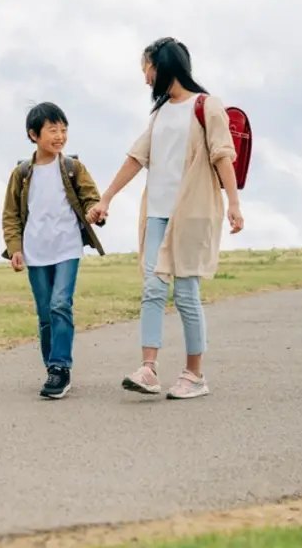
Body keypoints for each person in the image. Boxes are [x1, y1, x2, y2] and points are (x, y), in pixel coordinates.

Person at [86, 38, 244, 400]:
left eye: (148, 69)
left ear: (165, 66)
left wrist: (234, 204)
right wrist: (106, 198)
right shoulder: (159, 114)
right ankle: (149, 369)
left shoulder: (207, 107)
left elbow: (223, 155)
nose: (145, 78)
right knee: (153, 289)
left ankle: (195, 375)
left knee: (186, 293)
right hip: (157, 213)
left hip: (192, 214)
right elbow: (136, 158)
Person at [2, 102, 105, 400]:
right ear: (34, 135)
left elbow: (90, 198)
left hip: (67, 248)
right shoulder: (22, 173)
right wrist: (15, 249)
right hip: (35, 251)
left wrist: (94, 212)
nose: (60, 136)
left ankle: (60, 367)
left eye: (63, 130)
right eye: (52, 130)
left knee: (61, 304)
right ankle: (52, 366)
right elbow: (11, 215)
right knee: (45, 313)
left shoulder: (73, 167)